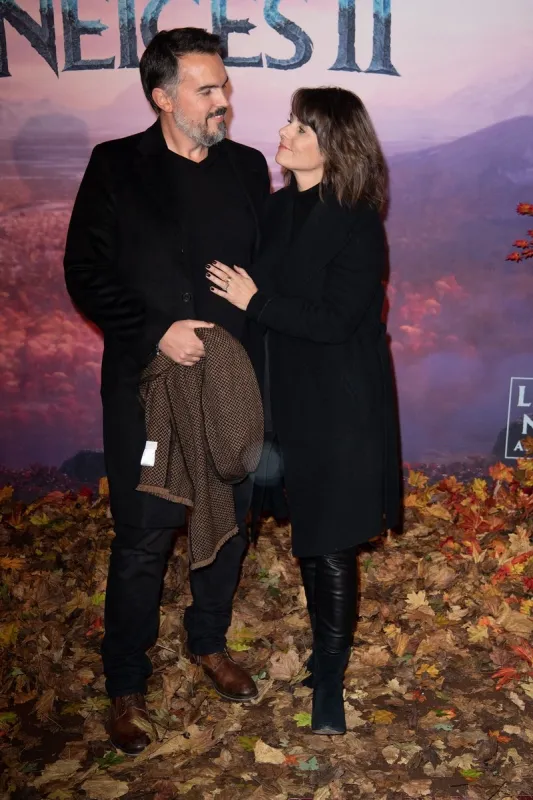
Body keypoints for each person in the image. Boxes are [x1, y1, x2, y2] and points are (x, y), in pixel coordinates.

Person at [63, 27, 270, 756]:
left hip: (231, 389)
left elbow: (269, 269)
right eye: (206, 89)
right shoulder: (115, 166)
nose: (223, 100)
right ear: (162, 96)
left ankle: (208, 643)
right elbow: (85, 273)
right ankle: (126, 682)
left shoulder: (247, 168)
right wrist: (157, 331)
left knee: (230, 519)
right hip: (146, 389)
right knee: (145, 530)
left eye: (224, 86)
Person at [206, 87, 402, 735]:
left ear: (334, 145)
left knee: (331, 538)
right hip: (282, 398)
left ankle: (330, 683)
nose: (284, 132)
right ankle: (323, 657)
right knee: (309, 541)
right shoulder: (273, 208)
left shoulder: (356, 221)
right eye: (289, 121)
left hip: (339, 402)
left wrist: (256, 301)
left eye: (302, 127)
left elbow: (337, 320)